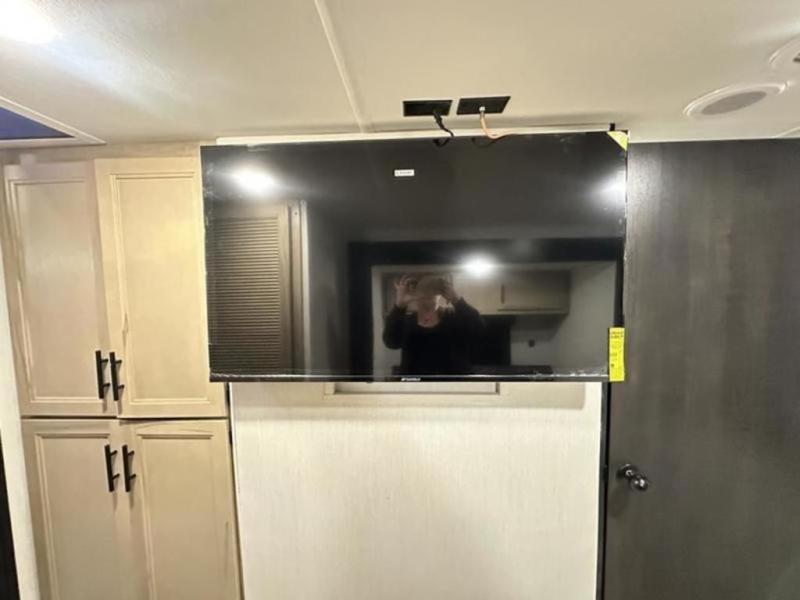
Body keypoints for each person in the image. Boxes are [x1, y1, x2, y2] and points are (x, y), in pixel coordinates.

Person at [382, 274, 485, 376]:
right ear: (415, 294)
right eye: (424, 289)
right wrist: (399, 306)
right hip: (415, 384)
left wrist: (457, 300)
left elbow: (480, 331)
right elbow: (391, 342)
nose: (428, 294)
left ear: (440, 293)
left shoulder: (454, 319)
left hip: (453, 383)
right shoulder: (407, 323)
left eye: (433, 289)